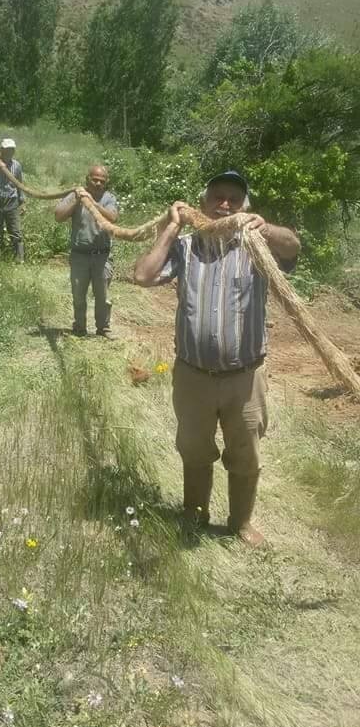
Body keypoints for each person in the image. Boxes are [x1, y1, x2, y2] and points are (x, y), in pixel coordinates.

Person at [134, 170, 300, 546]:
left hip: (245, 378)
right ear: (203, 204)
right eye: (217, 197)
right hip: (193, 376)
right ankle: (195, 515)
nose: (225, 205)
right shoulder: (187, 247)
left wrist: (267, 228)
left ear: (245, 207)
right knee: (194, 451)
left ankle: (240, 523)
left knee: (245, 455)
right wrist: (171, 228)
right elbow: (143, 276)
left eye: (235, 200)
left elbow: (292, 246)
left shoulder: (257, 246)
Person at [55, 165, 119, 339]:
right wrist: (78, 199)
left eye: (102, 181)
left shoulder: (109, 198)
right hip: (79, 255)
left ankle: (103, 328)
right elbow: (58, 216)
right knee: (78, 294)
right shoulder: (75, 194)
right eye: (94, 179)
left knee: (103, 296)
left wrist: (93, 203)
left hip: (102, 256)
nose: (98, 183)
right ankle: (79, 328)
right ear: (87, 178)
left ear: (106, 183)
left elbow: (113, 218)